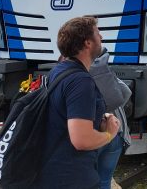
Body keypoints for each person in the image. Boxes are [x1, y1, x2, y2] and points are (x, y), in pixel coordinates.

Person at [33, 17, 120, 189]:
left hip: (52, 170)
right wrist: (109, 133)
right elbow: (82, 140)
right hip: (71, 177)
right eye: (97, 33)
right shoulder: (81, 81)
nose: (101, 37)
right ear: (88, 43)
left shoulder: (59, 71)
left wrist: (97, 117)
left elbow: (62, 114)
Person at [90, 49, 132, 189]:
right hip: (116, 132)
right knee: (104, 181)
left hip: (93, 135)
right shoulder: (103, 72)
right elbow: (126, 92)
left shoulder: (75, 72)